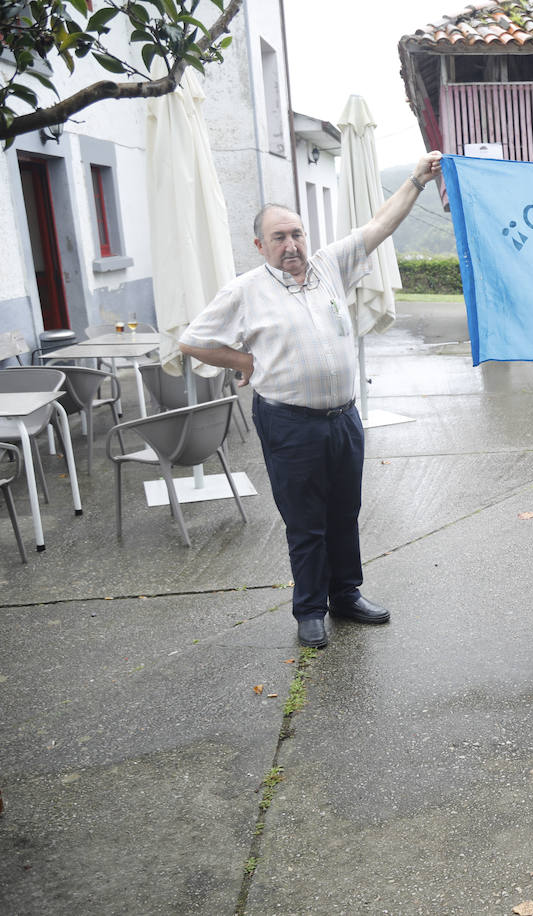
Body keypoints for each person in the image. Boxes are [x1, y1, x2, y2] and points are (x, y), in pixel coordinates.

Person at [179, 151, 443, 648]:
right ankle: (309, 609)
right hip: (289, 423)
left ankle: (346, 594)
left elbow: (381, 224)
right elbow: (191, 341)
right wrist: (241, 362)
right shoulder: (245, 291)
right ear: (260, 244)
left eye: (297, 233)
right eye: (279, 237)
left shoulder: (329, 266)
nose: (291, 244)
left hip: (343, 418)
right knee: (305, 520)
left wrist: (416, 179)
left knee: (344, 511)